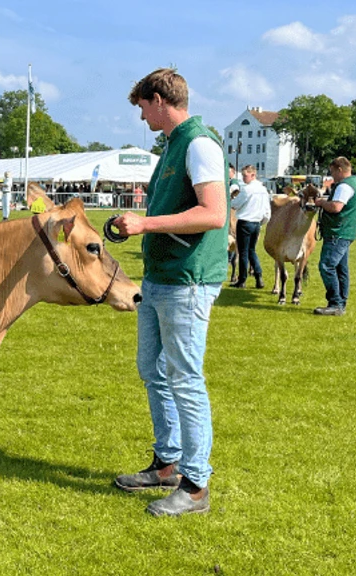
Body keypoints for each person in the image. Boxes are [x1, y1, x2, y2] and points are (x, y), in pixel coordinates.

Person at [112, 68, 227, 517]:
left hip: (187, 280)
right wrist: (135, 226)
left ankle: (196, 486)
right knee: (152, 370)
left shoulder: (200, 144)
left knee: (185, 379)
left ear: (159, 99)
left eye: (142, 107)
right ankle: (168, 463)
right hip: (160, 277)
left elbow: (214, 214)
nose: (141, 117)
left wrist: (146, 223)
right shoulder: (173, 147)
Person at [312, 157, 356, 316]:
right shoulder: (354, 184)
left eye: (332, 171)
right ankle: (341, 302)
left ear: (340, 170)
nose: (331, 175)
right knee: (341, 268)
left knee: (327, 266)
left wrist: (320, 203)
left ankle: (335, 303)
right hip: (345, 232)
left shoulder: (344, 186)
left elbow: (335, 207)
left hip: (337, 233)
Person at [230, 165, 270, 288]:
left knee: (243, 252)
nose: (243, 178)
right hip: (256, 223)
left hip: (245, 222)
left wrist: (231, 200)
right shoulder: (263, 190)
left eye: (245, 175)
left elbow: (235, 204)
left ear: (253, 175)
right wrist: (262, 222)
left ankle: (242, 280)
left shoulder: (247, 190)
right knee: (251, 250)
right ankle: (258, 276)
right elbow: (267, 210)